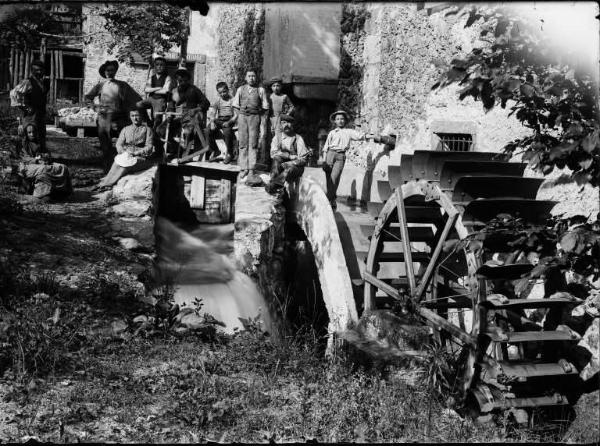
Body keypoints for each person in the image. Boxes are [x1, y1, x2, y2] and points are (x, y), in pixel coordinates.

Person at [84, 60, 142, 171]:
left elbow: (136, 98)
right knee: (105, 144)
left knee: (123, 143)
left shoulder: (123, 85)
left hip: (120, 117)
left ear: (115, 71)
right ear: (104, 72)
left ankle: (122, 166)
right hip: (104, 117)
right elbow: (88, 98)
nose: (110, 72)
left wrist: (139, 108)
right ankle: (107, 167)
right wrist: (95, 107)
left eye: (112, 70)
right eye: (107, 70)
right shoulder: (101, 85)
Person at [320, 110, 375, 211]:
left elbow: (360, 136)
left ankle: (327, 201)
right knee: (329, 180)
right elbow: (325, 148)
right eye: (338, 119)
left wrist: (372, 136)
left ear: (345, 121)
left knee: (334, 178)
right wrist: (324, 161)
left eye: (342, 119)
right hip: (329, 155)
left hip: (340, 156)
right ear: (335, 121)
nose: (340, 121)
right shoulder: (332, 133)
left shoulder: (349, 132)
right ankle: (332, 200)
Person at [94, 108, 155, 191]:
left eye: (137, 116)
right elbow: (119, 144)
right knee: (116, 163)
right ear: (130, 117)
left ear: (141, 117)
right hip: (127, 154)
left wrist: (137, 153)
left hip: (141, 157)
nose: (135, 118)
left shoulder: (147, 130)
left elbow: (149, 146)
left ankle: (107, 184)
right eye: (132, 116)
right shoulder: (126, 129)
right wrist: (123, 152)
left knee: (125, 166)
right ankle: (104, 182)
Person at [13, 123, 72, 202]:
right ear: (26, 134)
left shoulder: (39, 143)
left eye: (33, 132)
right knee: (44, 169)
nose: (32, 134)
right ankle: (42, 194)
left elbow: (46, 152)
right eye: (29, 132)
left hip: (42, 162)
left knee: (63, 167)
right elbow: (24, 158)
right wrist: (36, 160)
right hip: (27, 165)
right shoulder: (23, 144)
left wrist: (45, 156)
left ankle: (63, 192)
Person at [160, 67, 210, 158]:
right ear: (177, 79)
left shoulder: (194, 89)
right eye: (179, 80)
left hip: (189, 117)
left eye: (184, 80)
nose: (182, 82)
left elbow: (206, 103)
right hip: (177, 117)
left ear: (188, 80)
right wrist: (170, 114)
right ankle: (176, 149)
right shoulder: (174, 91)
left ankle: (185, 153)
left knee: (188, 132)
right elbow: (171, 106)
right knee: (160, 130)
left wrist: (195, 110)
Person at [232, 69, 269, 185]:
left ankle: (251, 170)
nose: (251, 78)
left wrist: (259, 118)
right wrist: (240, 117)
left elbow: (265, 106)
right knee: (242, 143)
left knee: (253, 144)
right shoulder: (240, 89)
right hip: (242, 117)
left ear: (256, 78)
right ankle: (244, 168)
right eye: (249, 76)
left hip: (254, 118)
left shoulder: (260, 90)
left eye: (253, 76)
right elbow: (235, 105)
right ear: (245, 78)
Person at [265, 114, 310, 196]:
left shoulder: (298, 139)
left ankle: (274, 185)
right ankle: (274, 184)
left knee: (289, 169)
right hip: (281, 165)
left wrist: (289, 163)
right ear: (281, 125)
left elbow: (303, 160)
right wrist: (288, 156)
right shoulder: (277, 137)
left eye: (289, 123)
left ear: (292, 125)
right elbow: (273, 153)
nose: (286, 125)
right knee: (276, 159)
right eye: (284, 122)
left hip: (296, 168)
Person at [10, 60, 48, 151]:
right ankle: (28, 158)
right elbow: (13, 94)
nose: (39, 72)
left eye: (41, 70)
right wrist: (24, 107)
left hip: (40, 114)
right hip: (30, 116)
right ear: (32, 71)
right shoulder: (27, 82)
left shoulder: (43, 84)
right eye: (37, 70)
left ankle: (40, 158)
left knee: (40, 135)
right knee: (30, 136)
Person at [137, 57, 173, 129]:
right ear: (154, 66)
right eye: (157, 65)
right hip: (151, 98)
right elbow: (146, 90)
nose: (159, 67)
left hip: (160, 100)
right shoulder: (152, 78)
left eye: (161, 65)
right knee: (139, 105)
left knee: (156, 118)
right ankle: (148, 122)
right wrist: (158, 88)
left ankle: (156, 132)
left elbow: (165, 91)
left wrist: (152, 89)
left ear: (164, 66)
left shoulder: (167, 78)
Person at [207, 81, 237, 164]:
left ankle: (229, 153)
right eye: (220, 93)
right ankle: (213, 150)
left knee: (227, 132)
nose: (223, 94)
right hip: (219, 120)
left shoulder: (232, 100)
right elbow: (213, 113)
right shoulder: (218, 100)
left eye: (224, 91)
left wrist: (229, 122)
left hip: (229, 120)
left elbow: (236, 115)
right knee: (208, 130)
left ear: (228, 90)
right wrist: (212, 122)